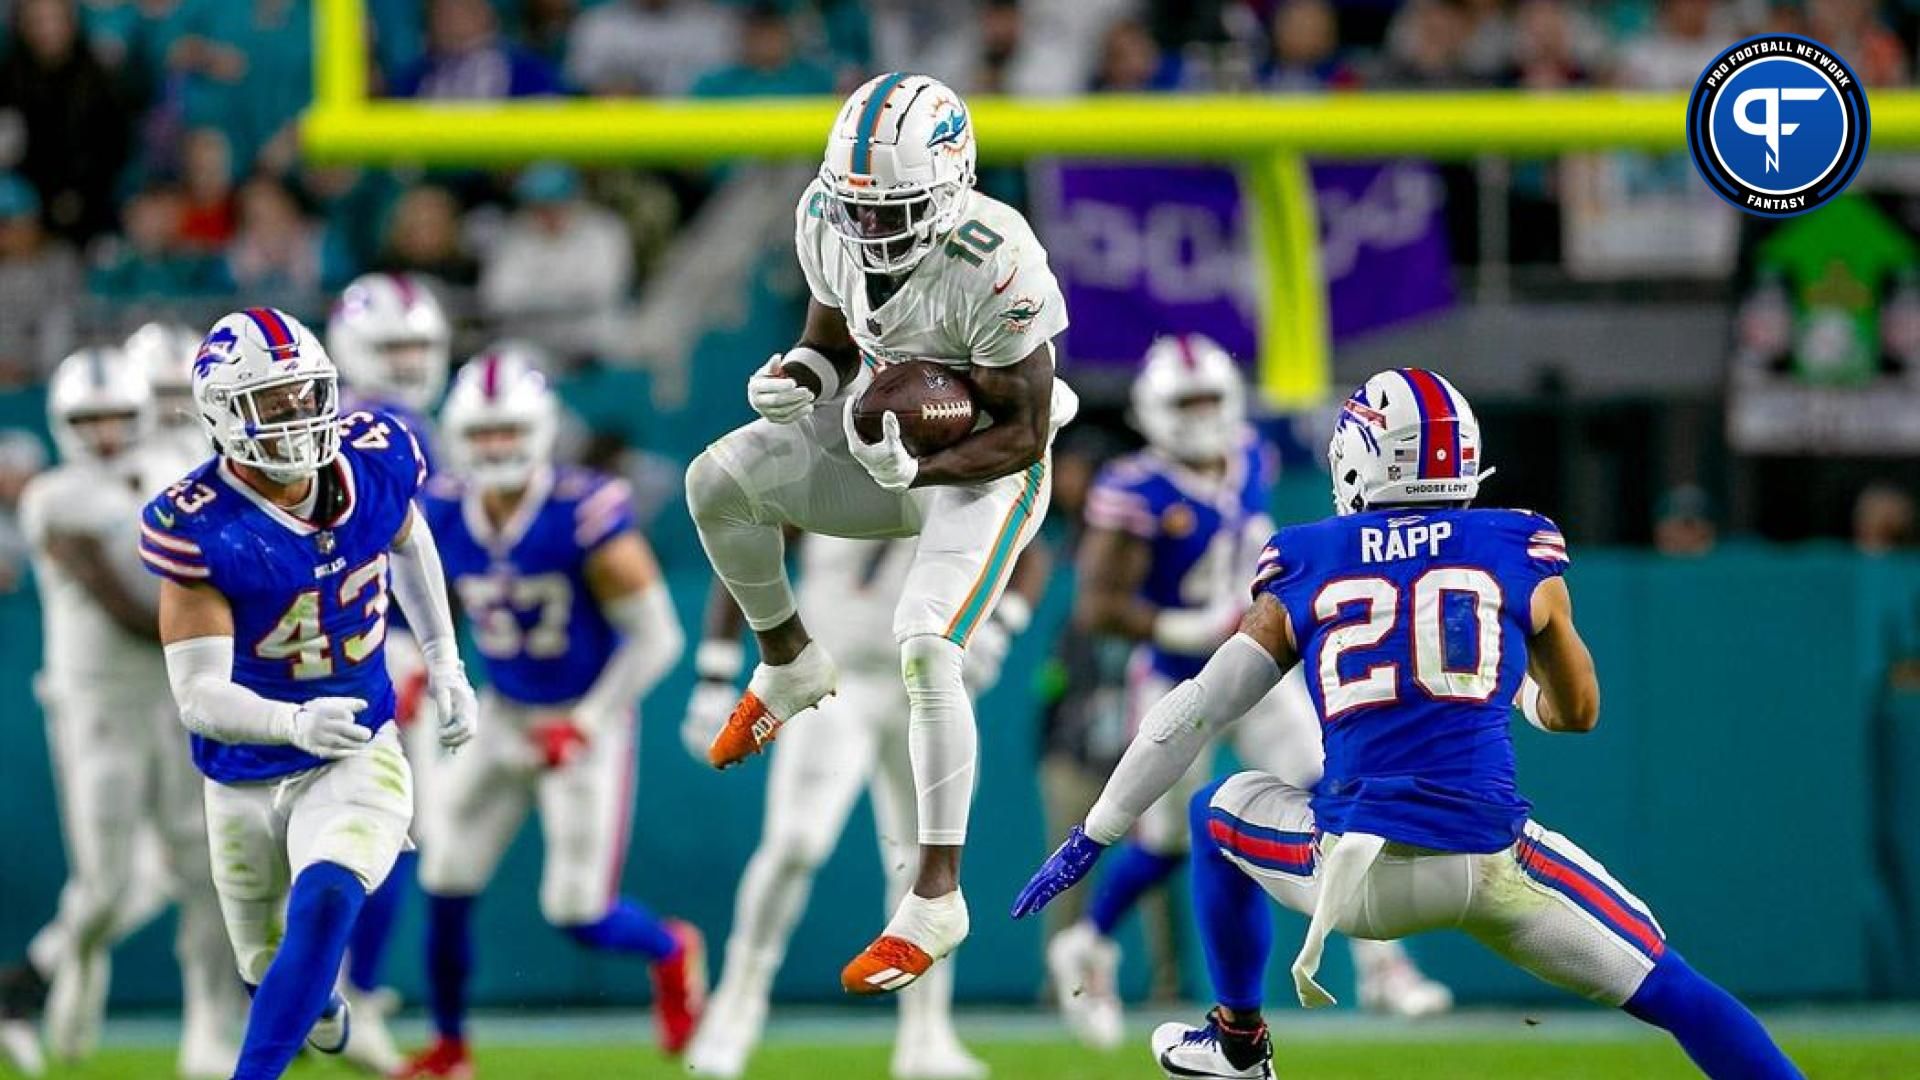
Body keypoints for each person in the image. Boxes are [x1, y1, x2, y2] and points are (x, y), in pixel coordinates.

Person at [1012, 368, 1805, 1080]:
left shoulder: (1308, 557)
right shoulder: (1513, 542)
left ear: (1359, 458)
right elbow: (1578, 713)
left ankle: (1239, 1042)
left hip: (1356, 878)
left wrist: (1096, 833)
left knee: (1214, 810)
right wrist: (1514, 696)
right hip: (1496, 862)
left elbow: (1195, 709)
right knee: (1672, 987)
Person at [685, 71, 1076, 994]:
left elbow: (1024, 429)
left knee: (928, 649)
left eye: (894, 207)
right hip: (883, 435)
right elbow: (832, 341)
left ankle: (937, 894)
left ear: (951, 185)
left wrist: (926, 469)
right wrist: (800, 379)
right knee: (718, 482)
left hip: (990, 467)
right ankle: (787, 658)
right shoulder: (828, 216)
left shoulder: (999, 253)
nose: (872, 228)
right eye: (859, 206)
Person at [1046, 337, 1450, 1051]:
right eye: (1185, 402)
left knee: (1338, 800)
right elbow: (1096, 606)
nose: (1201, 415)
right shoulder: (1134, 488)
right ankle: (1089, 942)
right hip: (1179, 678)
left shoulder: (1252, 456)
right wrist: (1185, 621)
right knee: (1166, 842)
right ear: (1151, 409)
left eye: (1209, 399)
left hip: (1260, 672)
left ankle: (1383, 962)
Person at [140, 307, 478, 1080]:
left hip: (358, 741)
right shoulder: (197, 525)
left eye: (306, 392)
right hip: (242, 765)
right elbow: (196, 694)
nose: (299, 416)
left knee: (327, 899)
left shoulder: (377, 456)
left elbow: (407, 535)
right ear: (224, 416)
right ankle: (316, 1002)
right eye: (274, 402)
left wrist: (444, 660)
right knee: (266, 967)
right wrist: (291, 720)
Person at [397, 348, 704, 1077]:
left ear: (538, 431)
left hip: (582, 716)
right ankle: (450, 1046)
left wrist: (590, 721)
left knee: (577, 912)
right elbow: (421, 613)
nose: (497, 447)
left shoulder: (581, 512)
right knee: (444, 876)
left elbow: (658, 637)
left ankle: (671, 950)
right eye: (484, 433)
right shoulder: (441, 509)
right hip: (504, 712)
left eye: (510, 431)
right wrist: (417, 672)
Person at [682, 533, 1045, 1080]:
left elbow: (1030, 545)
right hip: (835, 678)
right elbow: (749, 542)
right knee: (795, 844)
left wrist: (1002, 623)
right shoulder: (828, 460)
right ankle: (736, 1004)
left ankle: (926, 1031)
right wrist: (715, 671)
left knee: (925, 865)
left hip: (928, 683)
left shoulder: (953, 463)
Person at [0, 348, 243, 1080]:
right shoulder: (54, 496)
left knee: (203, 868)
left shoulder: (185, 465)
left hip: (178, 697)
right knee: (104, 885)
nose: (105, 432)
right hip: (96, 702)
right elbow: (125, 602)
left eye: (115, 415)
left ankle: (209, 1026)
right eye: (88, 419)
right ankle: (72, 952)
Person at [324, 270, 457, 1073]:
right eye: (393, 346)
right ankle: (352, 999)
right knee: (393, 833)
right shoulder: (374, 430)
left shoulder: (395, 424)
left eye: (418, 345)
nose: (408, 361)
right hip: (370, 650)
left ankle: (325, 996)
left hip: (376, 648)